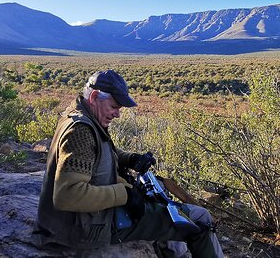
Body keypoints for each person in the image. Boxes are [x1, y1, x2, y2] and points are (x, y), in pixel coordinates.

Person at [34, 69, 224, 258]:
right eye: (114, 106)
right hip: (87, 228)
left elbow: (97, 151)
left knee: (164, 209)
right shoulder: (80, 131)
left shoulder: (78, 115)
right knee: (200, 220)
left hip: (78, 222)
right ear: (93, 96)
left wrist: (130, 158)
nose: (117, 114)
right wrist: (124, 194)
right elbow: (67, 195)